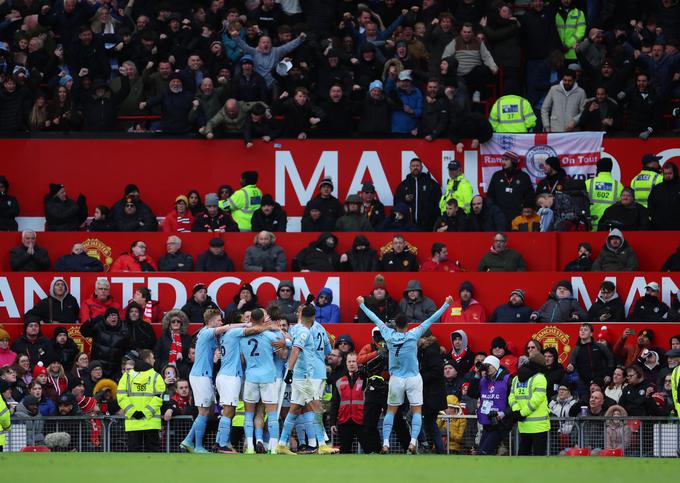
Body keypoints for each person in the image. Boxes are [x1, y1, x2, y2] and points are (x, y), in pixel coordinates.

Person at [357, 294, 452, 454]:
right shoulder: (414, 334)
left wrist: (362, 305)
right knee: (416, 411)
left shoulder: (388, 334)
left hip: (396, 379)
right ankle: (413, 443)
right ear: (407, 325)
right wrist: (446, 304)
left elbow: (375, 318)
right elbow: (432, 319)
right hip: (413, 378)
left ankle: (385, 443)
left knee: (390, 411)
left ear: (396, 326)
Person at [276, 305, 338, 455]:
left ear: (301, 316)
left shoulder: (297, 329)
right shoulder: (305, 332)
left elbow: (292, 343)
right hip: (303, 376)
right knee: (316, 406)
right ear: (313, 317)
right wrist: (290, 370)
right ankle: (322, 444)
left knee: (295, 408)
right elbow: (296, 350)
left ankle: (282, 444)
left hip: (300, 375)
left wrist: (286, 345)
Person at [180, 309, 238, 453]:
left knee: (209, 410)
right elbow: (227, 328)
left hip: (204, 375)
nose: (221, 322)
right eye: (218, 320)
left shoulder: (209, 335)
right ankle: (198, 446)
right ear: (211, 321)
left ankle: (188, 440)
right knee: (204, 412)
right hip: (200, 376)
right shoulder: (206, 332)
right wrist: (247, 324)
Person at [116, 349, 165, 452]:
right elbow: (159, 398)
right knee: (153, 455)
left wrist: (133, 412)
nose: (154, 360)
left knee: (134, 456)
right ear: (147, 359)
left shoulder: (127, 376)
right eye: (152, 358)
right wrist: (145, 413)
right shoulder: (156, 376)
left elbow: (121, 396)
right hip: (151, 422)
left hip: (133, 422)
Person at [508, 351, 550, 455]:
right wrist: (522, 413)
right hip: (539, 425)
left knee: (522, 456)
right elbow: (536, 400)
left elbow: (511, 397)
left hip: (523, 424)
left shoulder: (516, 379)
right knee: (538, 459)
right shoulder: (540, 378)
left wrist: (517, 411)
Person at [329, 352, 366, 454]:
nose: (351, 364)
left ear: (358, 362)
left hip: (361, 420)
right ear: (346, 363)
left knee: (368, 449)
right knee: (345, 451)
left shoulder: (364, 379)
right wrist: (332, 422)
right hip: (344, 421)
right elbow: (335, 403)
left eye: (354, 361)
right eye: (349, 361)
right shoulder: (340, 381)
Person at [418, 330, 447, 455]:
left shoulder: (430, 352)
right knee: (430, 424)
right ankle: (439, 450)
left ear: (424, 339)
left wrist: (420, 378)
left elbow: (436, 371)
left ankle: (427, 445)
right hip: (432, 395)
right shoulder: (429, 351)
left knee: (417, 419)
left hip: (432, 395)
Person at [80, 307, 130, 378]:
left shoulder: (124, 330)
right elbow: (83, 332)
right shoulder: (98, 326)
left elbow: (128, 347)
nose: (113, 318)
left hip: (115, 369)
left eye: (115, 315)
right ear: (106, 318)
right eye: (110, 316)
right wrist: (90, 321)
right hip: (98, 368)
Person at [393, 157, 441, 231]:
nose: (415, 168)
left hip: (428, 226)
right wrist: (405, 199)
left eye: (417, 166)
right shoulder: (403, 185)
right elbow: (396, 202)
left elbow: (438, 201)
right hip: (408, 226)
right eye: (413, 166)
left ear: (421, 167)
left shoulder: (431, 184)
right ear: (410, 168)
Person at [477, 355, 512, 455]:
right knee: (481, 452)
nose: (487, 368)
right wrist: (477, 375)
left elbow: (514, 401)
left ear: (496, 366)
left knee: (484, 452)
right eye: (485, 366)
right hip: (487, 422)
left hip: (500, 423)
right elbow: (472, 393)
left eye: (489, 365)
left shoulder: (507, 379)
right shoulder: (484, 380)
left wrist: (504, 413)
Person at [485, 150, 534, 222]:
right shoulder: (497, 175)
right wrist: (493, 209)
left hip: (518, 215)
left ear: (513, 161)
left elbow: (529, 195)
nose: (503, 162)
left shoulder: (524, 176)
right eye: (502, 159)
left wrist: (525, 208)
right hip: (499, 216)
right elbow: (490, 195)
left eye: (506, 160)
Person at [567, 323, 614, 394]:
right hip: (584, 384)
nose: (582, 331)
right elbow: (571, 364)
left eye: (585, 330)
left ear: (591, 334)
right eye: (581, 330)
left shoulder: (600, 346)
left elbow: (611, 359)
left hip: (602, 381)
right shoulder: (576, 349)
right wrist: (570, 367)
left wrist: (609, 374)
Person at [584, 157, 623, 231]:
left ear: (598, 168)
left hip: (590, 225)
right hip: (609, 226)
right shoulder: (618, 185)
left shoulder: (588, 183)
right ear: (610, 168)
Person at [648, 162, 680, 231]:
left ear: (675, 173)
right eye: (665, 174)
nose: (667, 176)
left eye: (670, 173)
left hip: (677, 227)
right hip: (659, 227)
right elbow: (651, 204)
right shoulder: (657, 188)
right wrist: (655, 219)